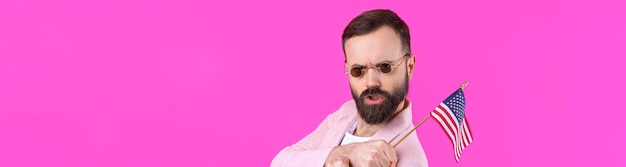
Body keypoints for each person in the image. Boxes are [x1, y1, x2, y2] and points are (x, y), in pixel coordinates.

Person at [271, 9, 428, 167]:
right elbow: (280, 162)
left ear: (410, 67)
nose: (371, 82)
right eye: (358, 70)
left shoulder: (411, 161)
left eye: (385, 67)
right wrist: (348, 153)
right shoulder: (346, 113)